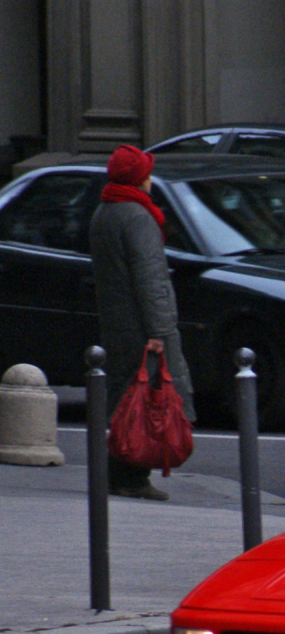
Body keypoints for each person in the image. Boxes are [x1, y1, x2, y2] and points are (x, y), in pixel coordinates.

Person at [89, 144, 195, 500]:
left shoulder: (105, 211)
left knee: (127, 401)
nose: (151, 180)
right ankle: (131, 477)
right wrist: (160, 330)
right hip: (142, 325)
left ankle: (120, 474)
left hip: (118, 322)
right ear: (138, 179)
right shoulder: (138, 217)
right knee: (148, 403)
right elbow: (151, 278)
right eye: (147, 174)